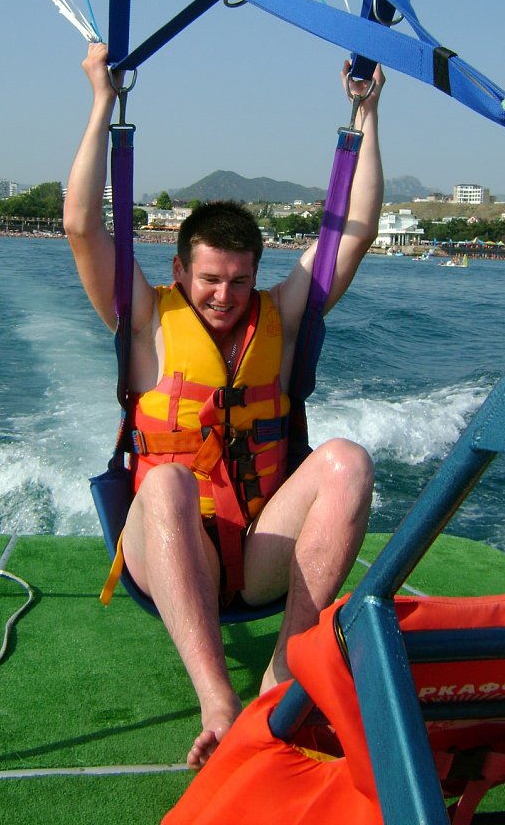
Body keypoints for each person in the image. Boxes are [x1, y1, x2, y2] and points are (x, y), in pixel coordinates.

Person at [64, 42, 385, 769]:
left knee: (347, 462)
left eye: (240, 281)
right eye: (209, 278)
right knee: (168, 483)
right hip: (171, 550)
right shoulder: (146, 321)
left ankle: (282, 678)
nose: (224, 295)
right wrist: (102, 101)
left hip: (262, 550)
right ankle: (218, 703)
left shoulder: (282, 317)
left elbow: (356, 229)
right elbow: (83, 226)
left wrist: (366, 114)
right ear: (180, 269)